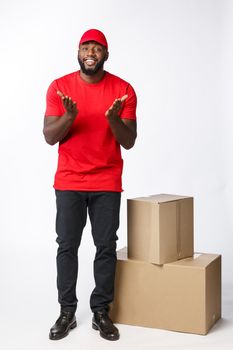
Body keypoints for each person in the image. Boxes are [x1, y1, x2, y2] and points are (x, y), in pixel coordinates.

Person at [43, 28, 137, 341]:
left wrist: (112, 120)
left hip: (106, 180)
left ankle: (101, 311)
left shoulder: (123, 90)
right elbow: (49, 136)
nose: (91, 54)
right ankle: (66, 311)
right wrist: (69, 116)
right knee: (67, 245)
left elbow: (129, 141)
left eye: (97, 49)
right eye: (86, 48)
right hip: (69, 179)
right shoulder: (59, 87)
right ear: (78, 53)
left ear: (106, 54)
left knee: (105, 246)